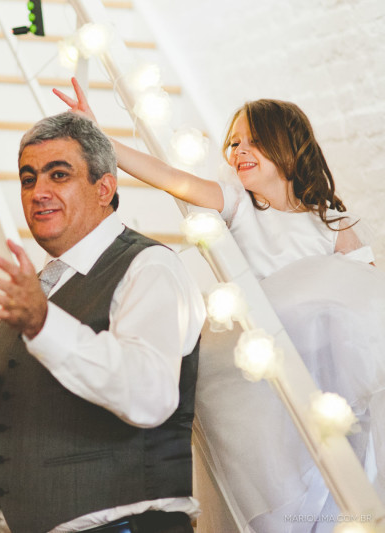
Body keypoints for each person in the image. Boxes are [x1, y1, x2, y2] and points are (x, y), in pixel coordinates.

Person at [55, 78, 385, 531]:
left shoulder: (331, 220)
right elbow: (172, 178)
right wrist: (101, 138)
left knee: (338, 462)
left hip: (325, 368)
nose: (239, 151)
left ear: (289, 146)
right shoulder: (240, 205)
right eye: (233, 142)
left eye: (254, 142)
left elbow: (364, 293)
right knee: (280, 478)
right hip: (266, 358)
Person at [0, 112, 205, 533]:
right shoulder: (38, 284)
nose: (38, 192)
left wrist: (45, 324)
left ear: (105, 187)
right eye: (28, 179)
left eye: (58, 175)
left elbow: (149, 396)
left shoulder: (149, 267)